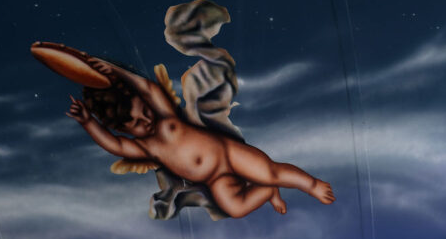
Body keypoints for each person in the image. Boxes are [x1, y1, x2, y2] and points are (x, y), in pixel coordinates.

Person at [66, 54, 334, 219]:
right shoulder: (148, 148)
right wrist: (89, 123)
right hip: (214, 178)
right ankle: (266, 190)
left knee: (271, 171)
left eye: (144, 112)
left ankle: (309, 184)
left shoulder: (166, 117)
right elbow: (113, 145)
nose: (146, 120)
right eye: (135, 123)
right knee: (236, 208)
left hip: (229, 154)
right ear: (123, 129)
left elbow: (148, 88)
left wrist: (114, 71)